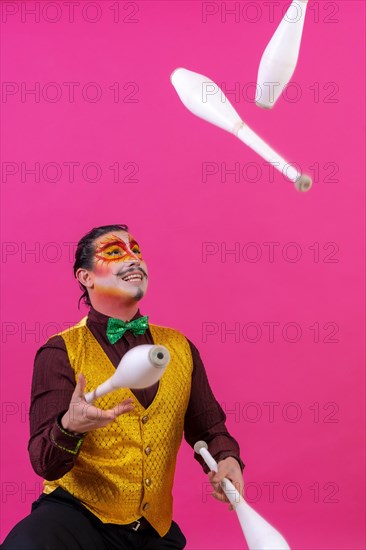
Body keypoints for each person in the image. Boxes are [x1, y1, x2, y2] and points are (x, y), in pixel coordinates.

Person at [2, 224, 244, 550]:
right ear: (85, 277)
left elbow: (209, 429)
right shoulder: (61, 351)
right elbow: (44, 463)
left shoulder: (180, 348)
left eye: (137, 251)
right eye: (116, 252)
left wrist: (226, 459)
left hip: (151, 531)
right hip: (77, 518)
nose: (134, 260)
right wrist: (70, 427)